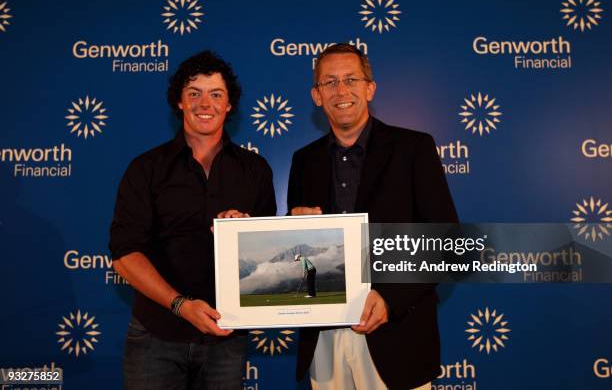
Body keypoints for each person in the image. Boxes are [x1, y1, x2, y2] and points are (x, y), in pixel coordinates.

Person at [287, 44, 458, 390]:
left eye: (351, 79)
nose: (341, 90)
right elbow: (298, 257)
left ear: (370, 88)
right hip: (325, 339)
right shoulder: (304, 161)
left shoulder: (414, 148)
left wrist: (390, 299)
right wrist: (294, 229)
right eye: (329, 82)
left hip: (398, 334)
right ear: (316, 95)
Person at [109, 50, 276, 390]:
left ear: (229, 105)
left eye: (216, 94)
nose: (205, 103)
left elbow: (268, 258)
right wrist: (181, 306)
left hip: (226, 337)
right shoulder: (146, 169)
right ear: (179, 103)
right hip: (157, 333)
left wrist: (246, 232)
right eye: (194, 93)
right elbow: (125, 256)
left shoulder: (255, 170)